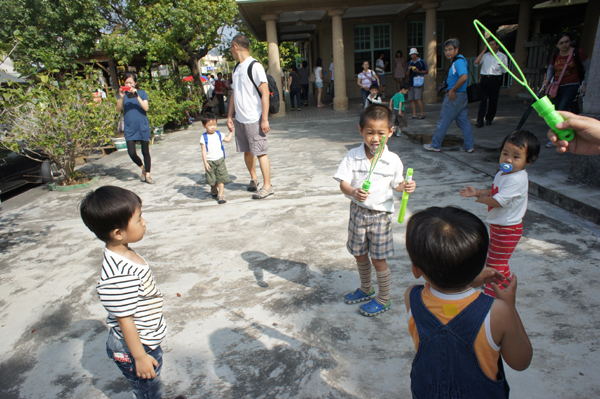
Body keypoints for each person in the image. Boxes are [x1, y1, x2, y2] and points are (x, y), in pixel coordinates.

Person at [404, 206, 532, 398]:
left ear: (416, 269)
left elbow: (443, 295)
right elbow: (521, 361)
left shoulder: (412, 297)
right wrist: (510, 306)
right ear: (479, 264)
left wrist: (469, 279)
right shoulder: (498, 312)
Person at [79, 186, 187, 399]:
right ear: (118, 233)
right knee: (148, 388)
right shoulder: (119, 275)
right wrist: (139, 357)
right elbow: (124, 319)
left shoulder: (123, 251)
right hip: (136, 347)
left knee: (152, 380)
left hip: (144, 339)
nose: (144, 222)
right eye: (139, 219)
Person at [334, 104, 417, 317]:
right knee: (359, 254)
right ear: (361, 130)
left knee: (378, 259)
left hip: (380, 216)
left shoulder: (393, 160)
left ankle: (383, 298)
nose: (375, 138)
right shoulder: (352, 156)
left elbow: (397, 185)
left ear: (390, 132)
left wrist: (406, 186)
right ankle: (366, 288)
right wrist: (353, 192)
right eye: (370, 132)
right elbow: (343, 183)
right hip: (358, 213)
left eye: (381, 133)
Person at [460, 130, 540, 297]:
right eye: (505, 153)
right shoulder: (504, 173)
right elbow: (495, 191)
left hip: (507, 230)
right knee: (500, 262)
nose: (508, 159)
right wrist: (477, 192)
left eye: (516, 157)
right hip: (499, 226)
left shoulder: (516, 179)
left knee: (493, 265)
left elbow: (498, 200)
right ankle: (507, 286)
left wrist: (480, 198)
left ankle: (491, 297)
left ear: (529, 160)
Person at [227, 34, 274, 199]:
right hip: (240, 119)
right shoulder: (236, 68)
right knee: (247, 152)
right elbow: (234, 93)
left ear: (235, 47)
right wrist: (229, 115)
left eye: (231, 49)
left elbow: (265, 93)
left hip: (254, 118)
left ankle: (267, 186)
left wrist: (265, 119)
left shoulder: (255, 66)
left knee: (260, 152)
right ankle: (254, 179)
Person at [423, 39, 474, 153]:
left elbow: (464, 77)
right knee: (463, 121)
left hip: (454, 96)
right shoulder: (458, 61)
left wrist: (453, 90)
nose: (448, 53)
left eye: (450, 49)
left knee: (444, 120)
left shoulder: (458, 62)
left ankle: (435, 144)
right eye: (446, 50)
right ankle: (469, 145)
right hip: (461, 96)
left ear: (456, 49)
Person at [543, 32, 590, 147]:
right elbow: (551, 68)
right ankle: (574, 132)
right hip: (557, 85)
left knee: (561, 110)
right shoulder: (556, 54)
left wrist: (585, 83)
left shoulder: (577, 52)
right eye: (561, 43)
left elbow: (588, 67)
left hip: (571, 85)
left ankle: (557, 137)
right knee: (556, 110)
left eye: (567, 42)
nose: (564, 45)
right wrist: (548, 79)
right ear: (557, 45)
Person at [117, 72, 155, 184]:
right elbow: (119, 109)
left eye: (130, 82)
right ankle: (143, 168)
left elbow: (146, 107)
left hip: (142, 126)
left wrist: (137, 95)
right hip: (129, 128)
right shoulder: (122, 95)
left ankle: (148, 175)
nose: (128, 84)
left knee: (145, 151)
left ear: (135, 83)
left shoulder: (142, 93)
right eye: (126, 82)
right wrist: (122, 97)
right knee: (132, 153)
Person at [200, 113, 234, 204]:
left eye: (214, 124)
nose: (213, 127)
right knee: (211, 179)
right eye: (210, 125)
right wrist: (205, 162)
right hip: (210, 161)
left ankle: (221, 195)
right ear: (204, 126)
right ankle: (213, 187)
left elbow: (227, 140)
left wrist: (231, 132)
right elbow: (203, 151)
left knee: (221, 178)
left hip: (220, 160)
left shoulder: (219, 134)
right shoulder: (204, 137)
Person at [474, 38, 508, 128]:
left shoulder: (502, 56)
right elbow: (476, 62)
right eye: (489, 44)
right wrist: (483, 50)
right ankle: (480, 120)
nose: (491, 46)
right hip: (485, 79)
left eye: (493, 44)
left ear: (497, 46)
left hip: (495, 79)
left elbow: (505, 71)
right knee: (483, 100)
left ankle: (489, 119)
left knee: (493, 100)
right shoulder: (485, 56)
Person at [405, 48, 428, 119]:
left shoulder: (421, 62)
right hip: (411, 82)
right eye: (411, 54)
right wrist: (409, 69)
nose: (412, 56)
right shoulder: (409, 63)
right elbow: (407, 75)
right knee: (412, 99)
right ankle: (414, 114)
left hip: (418, 81)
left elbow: (426, 71)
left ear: (416, 54)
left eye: (414, 54)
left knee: (418, 98)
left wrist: (419, 71)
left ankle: (422, 113)